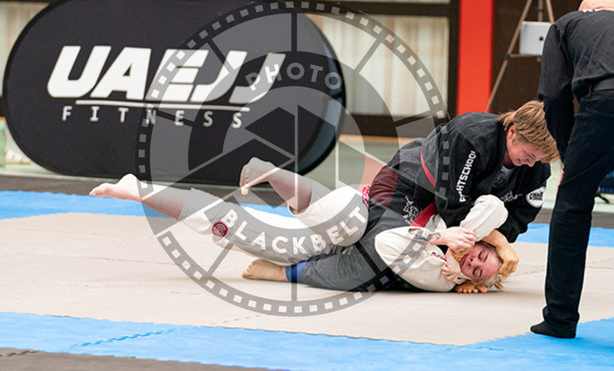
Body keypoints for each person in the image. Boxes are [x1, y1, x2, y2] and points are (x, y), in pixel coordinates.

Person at [89, 159, 507, 293]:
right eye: (481, 255)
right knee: (346, 220)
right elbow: (494, 208)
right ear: (485, 244)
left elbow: (391, 245)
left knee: (233, 226)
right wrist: (459, 234)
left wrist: (441, 252)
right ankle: (273, 173)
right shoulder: (459, 226)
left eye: (475, 270)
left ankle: (137, 190)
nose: (471, 260)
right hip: (358, 216)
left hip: (340, 259)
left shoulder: (439, 278)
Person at [276, 100, 558, 293]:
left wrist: (471, 267)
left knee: (436, 268)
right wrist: (497, 242)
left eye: (539, 159)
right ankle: (291, 269)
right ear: (512, 132)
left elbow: (517, 219)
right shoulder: (470, 136)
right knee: (374, 261)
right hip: (408, 186)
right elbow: (454, 206)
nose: (531, 164)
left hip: (450, 218)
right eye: (529, 155)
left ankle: (453, 263)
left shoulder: (537, 169)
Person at [532, 0, 614, 339]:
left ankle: (560, 319)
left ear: (586, 11)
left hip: (604, 102)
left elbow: (554, 95)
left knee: (571, 207)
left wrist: (570, 156)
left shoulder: (567, 24)